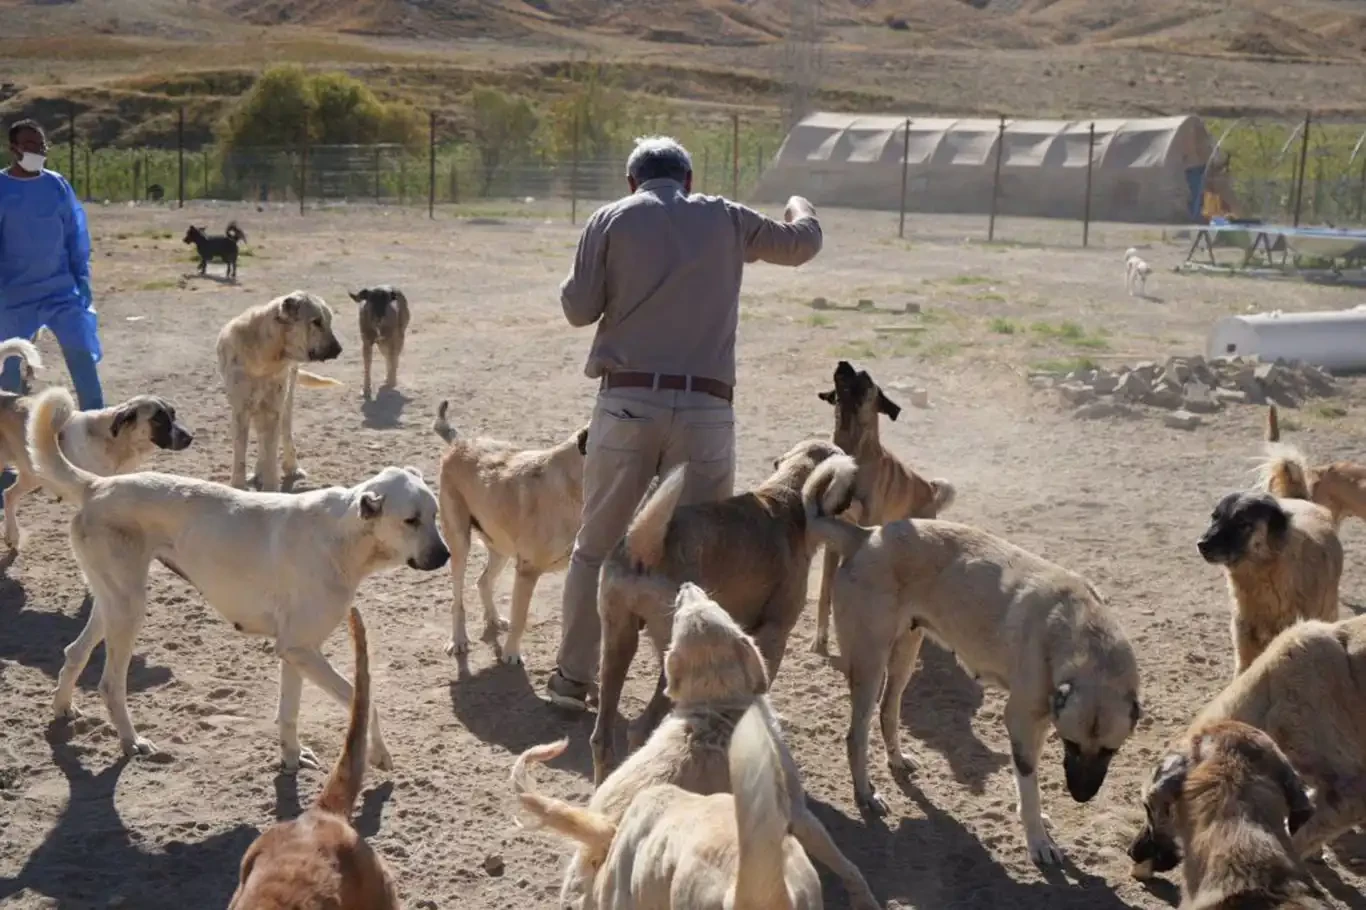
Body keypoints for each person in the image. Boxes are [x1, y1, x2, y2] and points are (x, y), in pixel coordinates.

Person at [546, 136, 824, 710]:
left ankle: (574, 678)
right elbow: (802, 245)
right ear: (689, 179)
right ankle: (684, 684)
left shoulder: (611, 219)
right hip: (705, 411)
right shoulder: (725, 216)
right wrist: (800, 204)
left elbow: (578, 310)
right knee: (697, 552)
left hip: (625, 405)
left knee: (596, 545)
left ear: (632, 182)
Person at [0, 119, 105, 418]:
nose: (38, 151)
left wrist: (80, 276)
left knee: (82, 359)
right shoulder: (2, 189)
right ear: (13, 149)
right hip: (14, 297)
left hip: (60, 291)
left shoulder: (57, 185)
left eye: (42, 145)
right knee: (8, 369)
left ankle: (96, 429)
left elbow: (76, 233)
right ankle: (7, 445)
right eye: (30, 145)